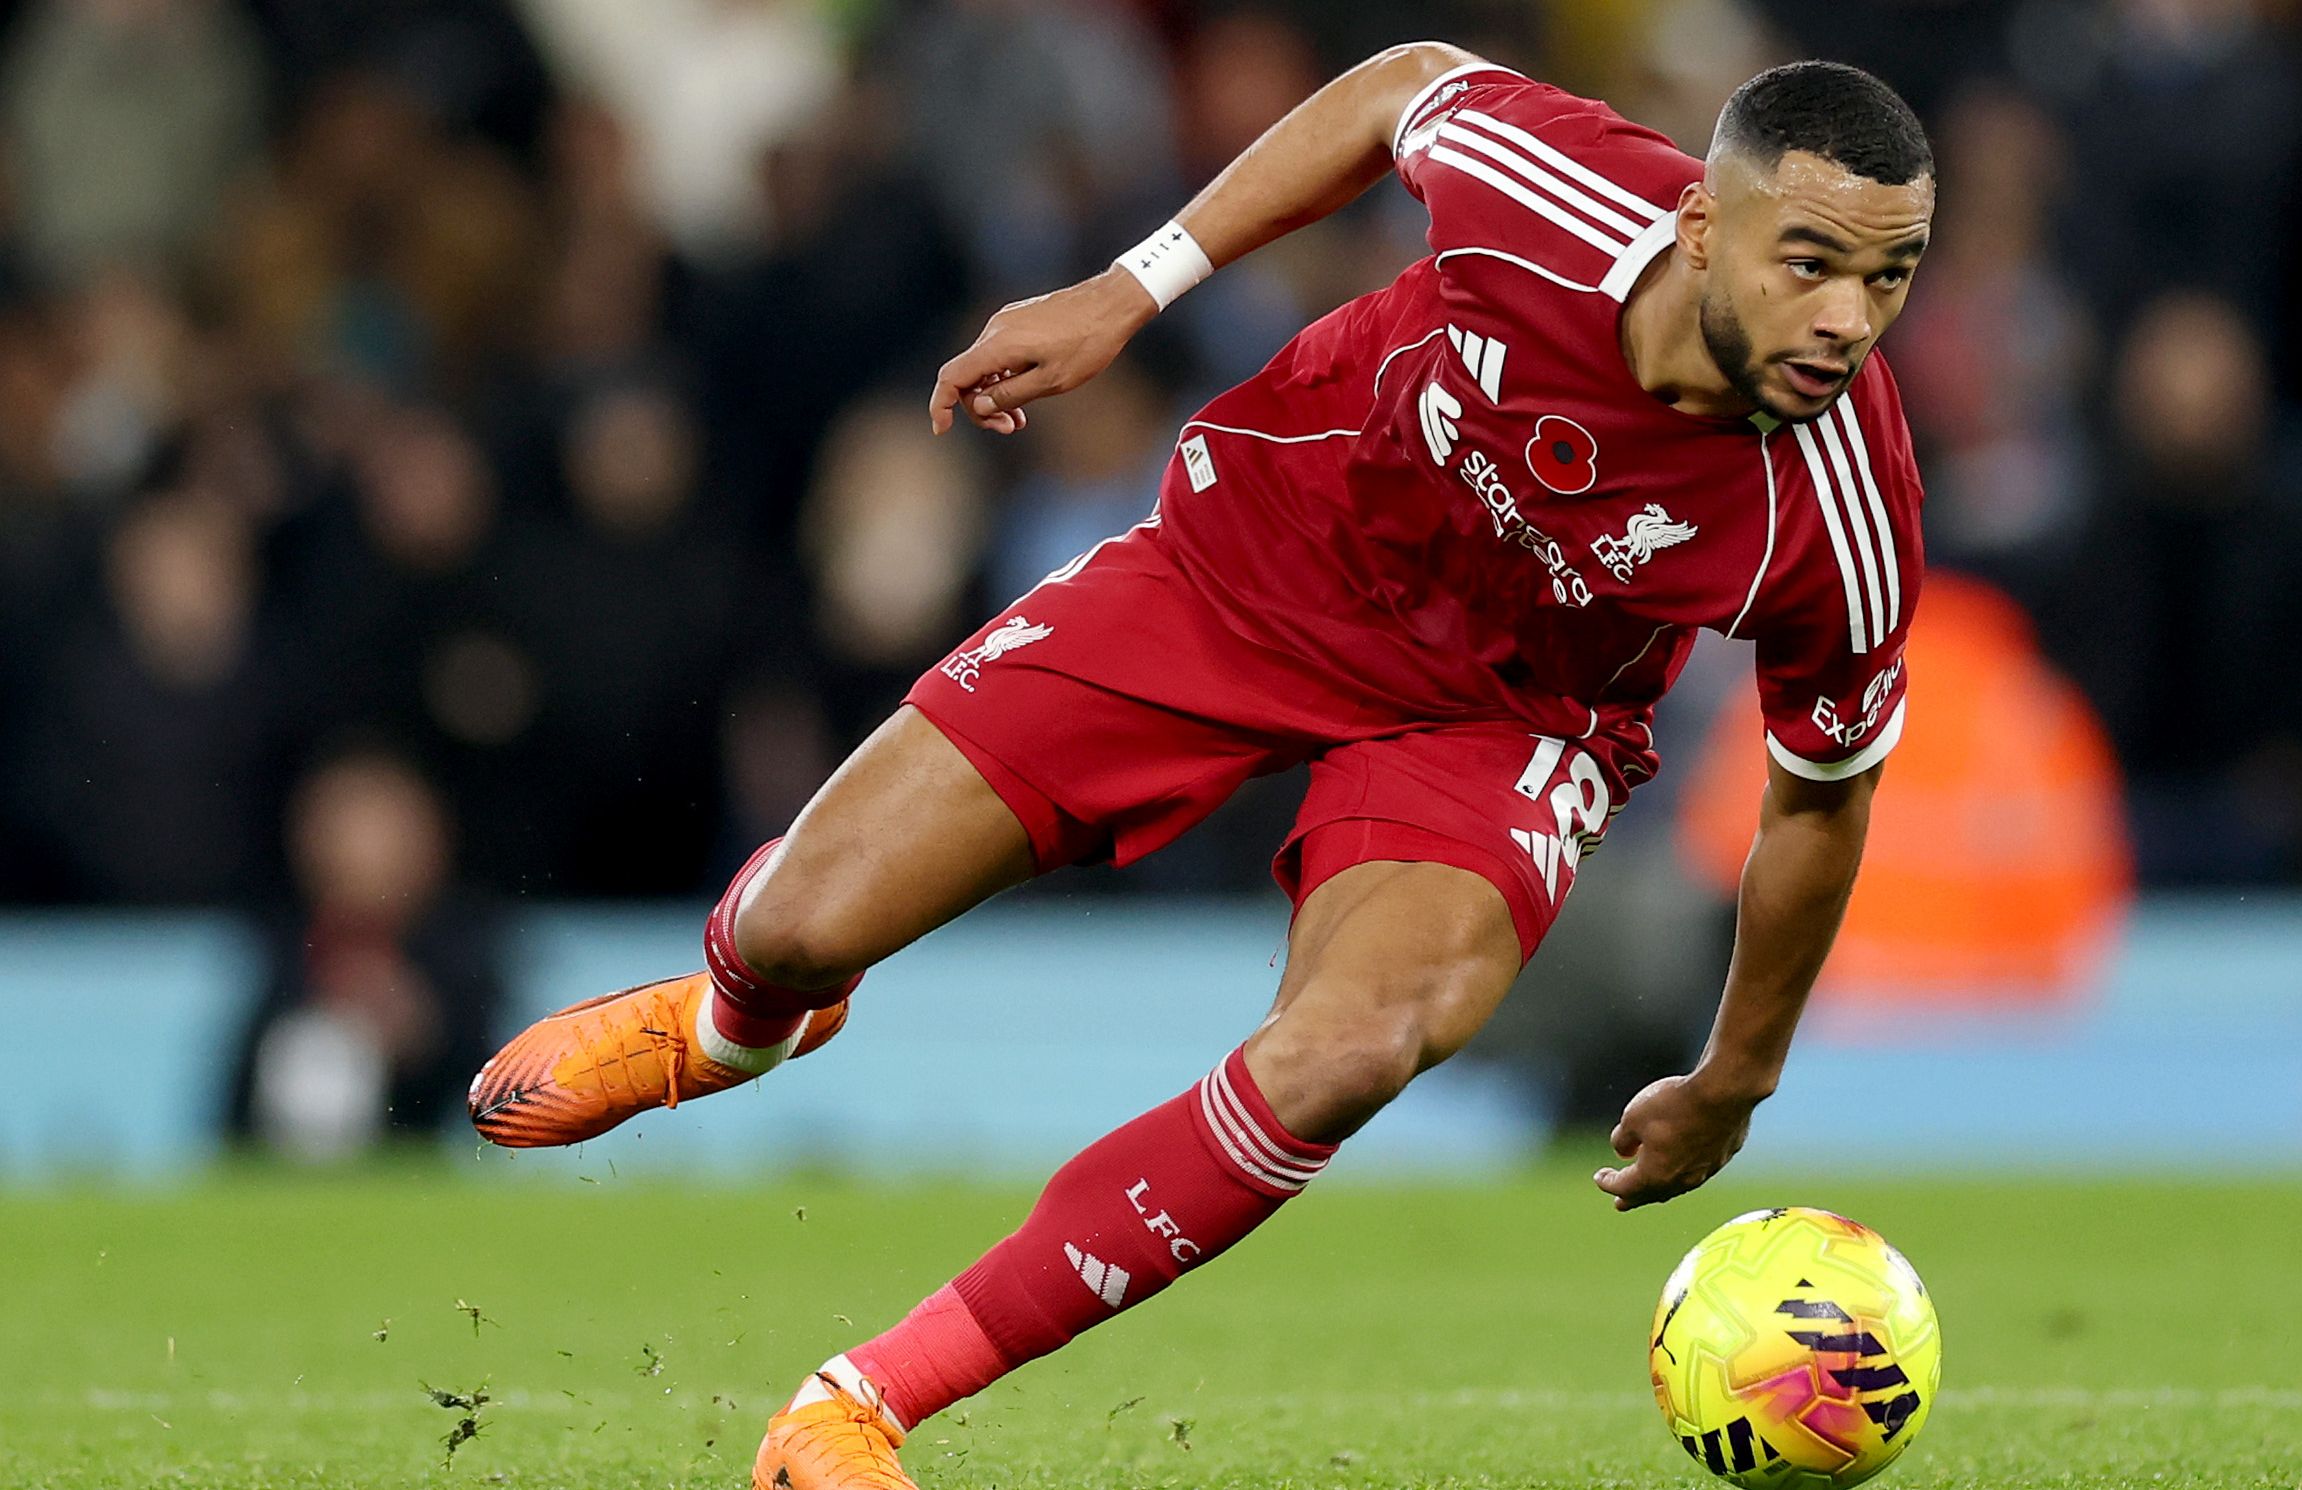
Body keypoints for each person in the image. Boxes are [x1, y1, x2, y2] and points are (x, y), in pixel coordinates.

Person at [468, 43, 1934, 1490]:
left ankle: (855, 1408)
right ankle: (730, 1025)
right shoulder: (1557, 189)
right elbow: (1391, 88)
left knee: (1352, 1047)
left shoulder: (1847, 504)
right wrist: (1130, 287)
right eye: (1808, 263)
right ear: (1700, 223)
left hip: (1500, 722)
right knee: (799, 920)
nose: (1848, 319)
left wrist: (1736, 1076)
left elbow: (1821, 796)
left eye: (1891, 277)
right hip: (1248, 561)